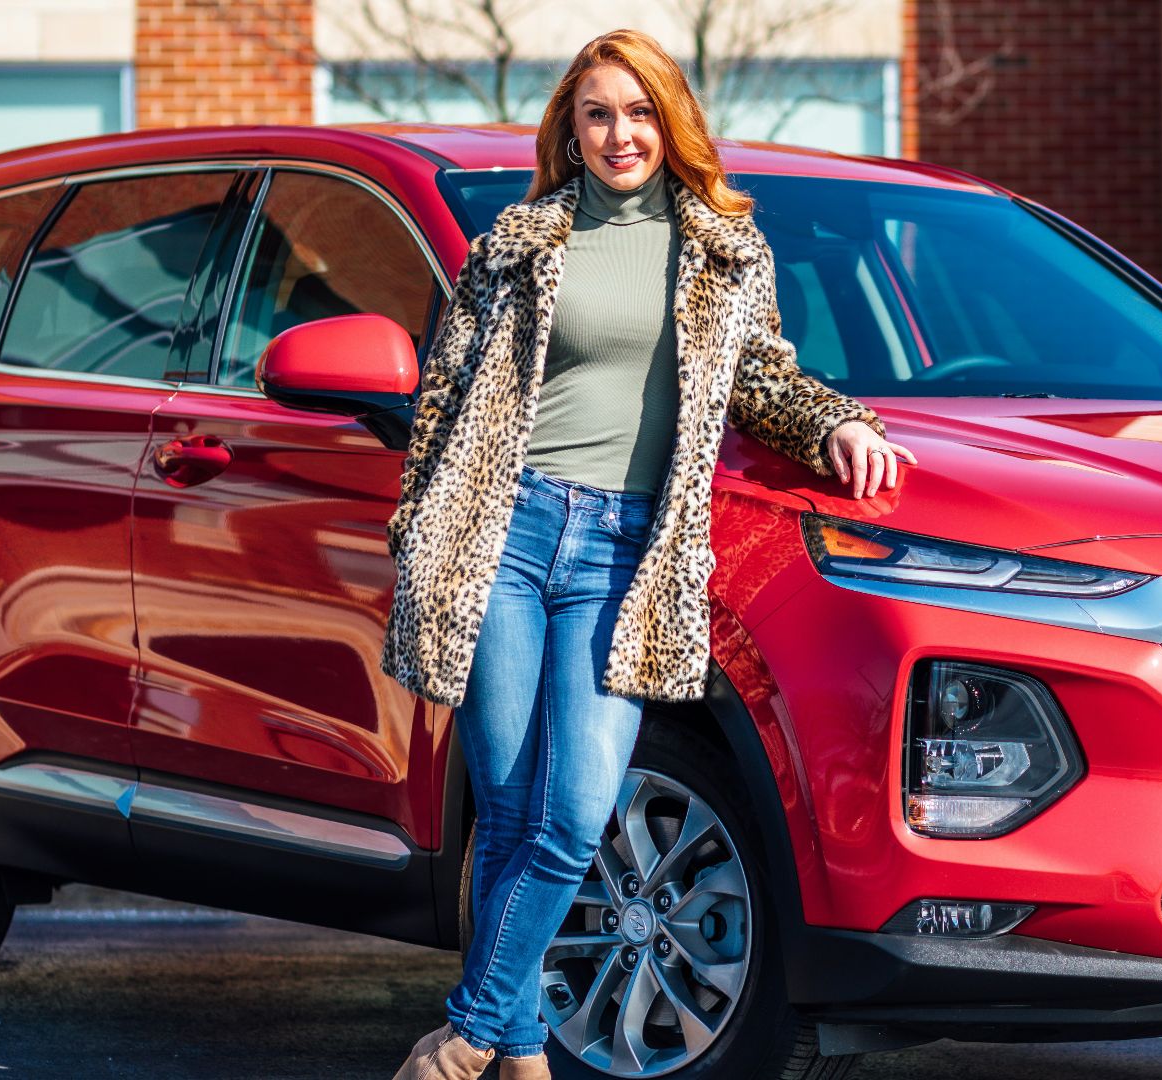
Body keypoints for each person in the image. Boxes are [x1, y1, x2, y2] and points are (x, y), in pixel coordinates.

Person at [387, 27, 917, 1080]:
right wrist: (419, 532)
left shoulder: (725, 249)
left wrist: (837, 426)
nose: (620, 133)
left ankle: (464, 1036)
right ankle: (527, 1048)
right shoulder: (517, 243)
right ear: (570, 130)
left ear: (668, 124)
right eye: (598, 113)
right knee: (505, 805)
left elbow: (763, 379)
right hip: (509, 529)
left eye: (639, 113)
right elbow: (442, 402)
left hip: (626, 552)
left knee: (575, 812)